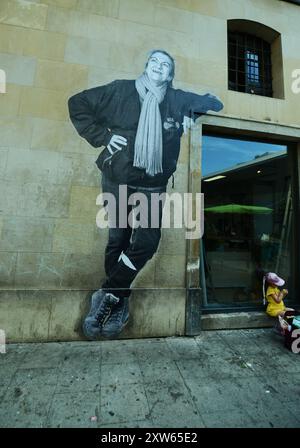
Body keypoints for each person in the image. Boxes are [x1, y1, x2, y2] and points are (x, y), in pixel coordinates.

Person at [68, 49, 224, 340]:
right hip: (117, 178)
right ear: (147, 66)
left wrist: (194, 112)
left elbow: (215, 102)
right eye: (154, 61)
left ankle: (107, 294)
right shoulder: (119, 91)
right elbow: (77, 103)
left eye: (165, 65)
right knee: (119, 239)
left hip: (153, 183)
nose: (158, 67)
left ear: (170, 74)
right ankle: (118, 304)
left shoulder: (176, 100)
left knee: (147, 241)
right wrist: (102, 137)